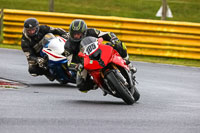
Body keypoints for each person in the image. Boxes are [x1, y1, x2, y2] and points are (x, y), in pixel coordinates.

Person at [64, 19, 136, 92]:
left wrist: (114, 38)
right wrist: (77, 65)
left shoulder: (91, 31)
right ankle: (96, 84)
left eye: (78, 34)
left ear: (84, 32)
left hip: (99, 51)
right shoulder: (68, 45)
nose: (76, 36)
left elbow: (106, 34)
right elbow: (69, 62)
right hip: (84, 63)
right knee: (80, 85)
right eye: (74, 34)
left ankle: (128, 63)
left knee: (119, 45)